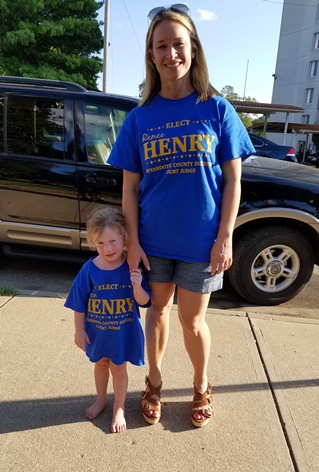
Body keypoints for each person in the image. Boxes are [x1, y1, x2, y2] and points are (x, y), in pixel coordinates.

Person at [108, 4, 255, 428]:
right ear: (151, 56)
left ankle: (201, 385)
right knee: (155, 314)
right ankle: (153, 383)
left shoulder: (218, 110)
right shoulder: (140, 118)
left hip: (200, 243)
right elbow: (130, 188)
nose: (170, 53)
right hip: (153, 242)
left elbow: (233, 182)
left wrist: (225, 236)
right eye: (161, 46)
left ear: (193, 48)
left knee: (193, 322)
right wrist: (133, 241)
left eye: (178, 44)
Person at [64, 206, 151, 433]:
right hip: (97, 332)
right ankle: (101, 399)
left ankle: (119, 407)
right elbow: (78, 302)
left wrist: (137, 285)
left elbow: (143, 302)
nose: (107, 248)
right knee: (100, 364)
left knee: (118, 368)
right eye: (100, 243)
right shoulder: (89, 269)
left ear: (124, 237)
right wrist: (78, 330)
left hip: (122, 334)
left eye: (112, 241)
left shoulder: (132, 267)